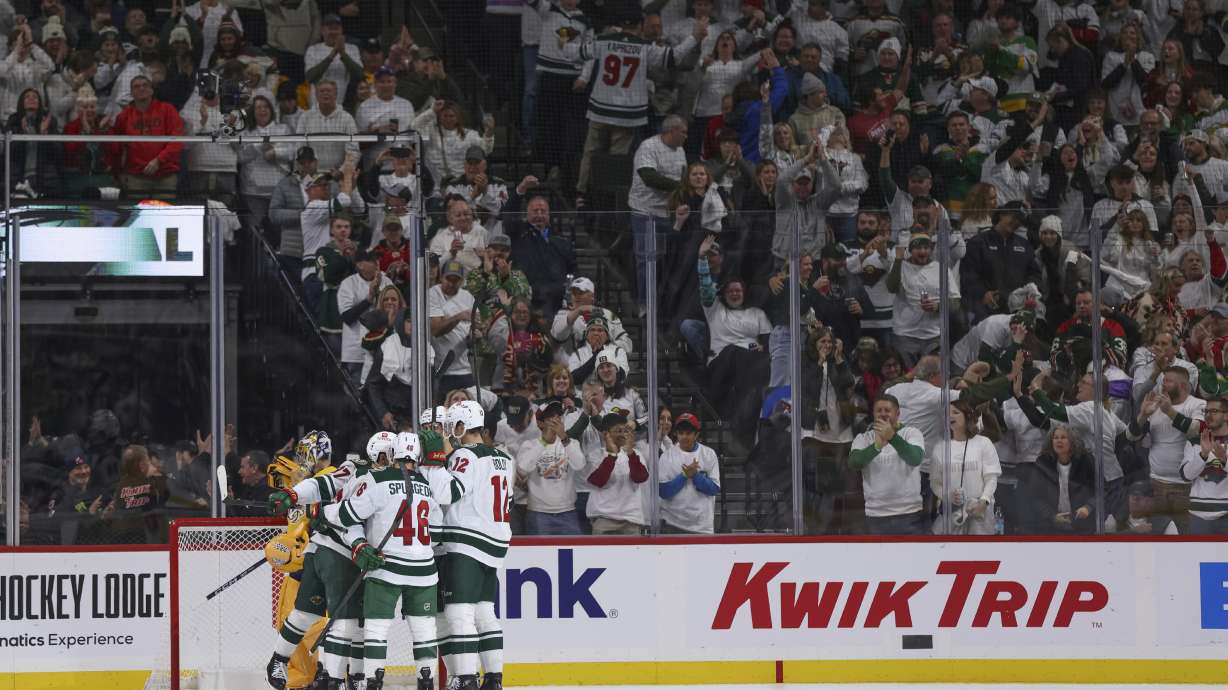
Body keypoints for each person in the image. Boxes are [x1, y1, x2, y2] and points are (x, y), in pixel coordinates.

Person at [319, 432, 440, 690]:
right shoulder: (428, 485)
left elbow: (348, 514)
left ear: (393, 453)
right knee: (424, 630)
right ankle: (426, 682)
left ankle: (373, 682)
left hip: (385, 568)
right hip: (424, 571)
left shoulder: (378, 479)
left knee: (376, 630)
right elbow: (437, 533)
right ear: (417, 456)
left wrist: (322, 512)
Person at [419, 402, 511, 690]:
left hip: (466, 543)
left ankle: (466, 678)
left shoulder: (464, 454)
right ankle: (494, 679)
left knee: (459, 613)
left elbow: (449, 493)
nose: (451, 432)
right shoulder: (504, 457)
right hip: (495, 542)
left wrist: (432, 462)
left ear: (461, 426)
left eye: (453, 426)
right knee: (485, 613)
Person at [265, 432, 365, 690]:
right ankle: (301, 670)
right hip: (312, 561)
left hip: (337, 558)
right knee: (300, 619)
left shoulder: (337, 475)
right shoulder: (310, 480)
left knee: (336, 624)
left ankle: (332, 675)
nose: (301, 459)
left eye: (305, 453)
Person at [698, 236, 771, 438]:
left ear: (744, 292)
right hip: (721, 364)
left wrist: (763, 348)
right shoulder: (715, 309)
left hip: (751, 365)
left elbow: (769, 343)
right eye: (731, 290)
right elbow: (705, 289)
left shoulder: (757, 313)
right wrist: (702, 259)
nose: (735, 293)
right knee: (736, 352)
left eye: (738, 290)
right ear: (724, 294)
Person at [1129, 367, 1204, 534]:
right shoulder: (1155, 406)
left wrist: (1169, 411)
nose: (1163, 385)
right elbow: (1132, 437)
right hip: (1156, 485)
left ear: (1183, 386)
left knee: (1187, 537)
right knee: (1158, 538)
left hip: (1186, 488)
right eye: (1163, 381)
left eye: (1168, 381)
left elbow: (1195, 430)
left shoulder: (1197, 404)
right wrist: (1142, 415)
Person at [629, 116, 689, 314]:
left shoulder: (680, 150)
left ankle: (662, 304)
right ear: (671, 131)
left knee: (665, 260)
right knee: (646, 258)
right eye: (683, 132)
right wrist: (680, 187)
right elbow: (648, 177)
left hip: (668, 213)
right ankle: (644, 304)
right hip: (645, 211)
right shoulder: (648, 147)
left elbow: (684, 176)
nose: (686, 136)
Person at [848, 394, 926, 534]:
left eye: (887, 410)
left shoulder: (911, 433)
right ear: (873, 414)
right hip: (876, 514)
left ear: (897, 414)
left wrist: (892, 437)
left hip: (909, 513)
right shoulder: (864, 438)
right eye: (879, 410)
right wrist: (876, 446)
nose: (883, 414)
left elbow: (915, 458)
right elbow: (854, 463)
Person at [930, 400, 1002, 535]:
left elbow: (991, 478)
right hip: (951, 515)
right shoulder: (940, 447)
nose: (950, 416)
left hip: (980, 513)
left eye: (955, 413)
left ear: (968, 416)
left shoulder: (983, 443)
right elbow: (935, 483)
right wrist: (947, 496)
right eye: (947, 413)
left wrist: (984, 501)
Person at [515, 400, 586, 535]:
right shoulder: (529, 445)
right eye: (550, 417)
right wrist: (543, 442)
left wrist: (564, 438)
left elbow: (580, 465)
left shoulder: (571, 443)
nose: (555, 420)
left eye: (558, 416)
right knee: (539, 557)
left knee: (571, 555)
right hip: (538, 513)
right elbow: (523, 468)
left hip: (568, 512)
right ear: (540, 423)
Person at [503, 187, 577, 317]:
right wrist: (520, 191)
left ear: (548, 215)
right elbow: (508, 215)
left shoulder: (561, 240)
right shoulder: (518, 233)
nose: (539, 215)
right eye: (535, 211)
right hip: (526, 299)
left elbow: (572, 269)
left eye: (543, 211)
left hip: (555, 300)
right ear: (527, 214)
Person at [106, 75, 183, 198]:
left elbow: (177, 141)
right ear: (131, 93)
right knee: (138, 215)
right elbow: (116, 147)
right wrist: (117, 172)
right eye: (136, 86)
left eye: (145, 85)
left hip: (165, 176)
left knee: (165, 215)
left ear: (152, 90)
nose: (141, 88)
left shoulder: (168, 110)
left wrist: (159, 160)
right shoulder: (123, 117)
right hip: (136, 177)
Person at [1023, 425, 1096, 533]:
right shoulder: (1043, 462)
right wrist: (1052, 516)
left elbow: (1100, 490)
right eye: (1055, 438)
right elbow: (1034, 496)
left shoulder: (1086, 460)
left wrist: (1088, 507)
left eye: (1063, 437)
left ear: (1072, 441)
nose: (1059, 441)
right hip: (1051, 525)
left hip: (1082, 524)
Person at [585, 410, 649, 535]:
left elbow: (640, 477)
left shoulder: (635, 454)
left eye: (625, 430)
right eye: (618, 430)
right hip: (604, 519)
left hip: (631, 519)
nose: (623, 434)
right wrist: (612, 456)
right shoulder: (595, 454)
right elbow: (598, 481)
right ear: (606, 434)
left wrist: (631, 454)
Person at [658, 413, 720, 534]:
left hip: (702, 527)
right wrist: (684, 476)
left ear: (696, 434)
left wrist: (696, 476)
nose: (684, 437)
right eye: (681, 433)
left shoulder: (709, 454)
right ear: (676, 434)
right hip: (672, 525)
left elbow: (714, 489)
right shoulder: (667, 456)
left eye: (688, 433)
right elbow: (663, 492)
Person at [1181, 397, 1228, 534]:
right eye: (1205, 411)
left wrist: (1224, 460)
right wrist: (1203, 455)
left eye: (1213, 411)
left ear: (1226, 415)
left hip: (1226, 514)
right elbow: (1186, 476)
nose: (1208, 415)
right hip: (1198, 516)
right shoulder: (1195, 441)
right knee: (1198, 555)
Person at [429, 261, 476, 393]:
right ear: (441, 277)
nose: (451, 283)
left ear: (461, 281)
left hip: (465, 369)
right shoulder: (433, 294)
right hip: (442, 370)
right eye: (448, 278)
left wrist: (475, 334)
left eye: (456, 280)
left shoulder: (468, 297)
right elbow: (436, 330)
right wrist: (458, 317)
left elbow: (477, 326)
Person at [295, 79, 359, 171]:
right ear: (316, 95)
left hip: (339, 174)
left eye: (329, 91)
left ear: (336, 95)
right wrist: (308, 169)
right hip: (311, 173)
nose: (325, 93)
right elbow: (300, 146)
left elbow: (353, 151)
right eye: (322, 91)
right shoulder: (305, 117)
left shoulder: (347, 118)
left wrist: (341, 171)